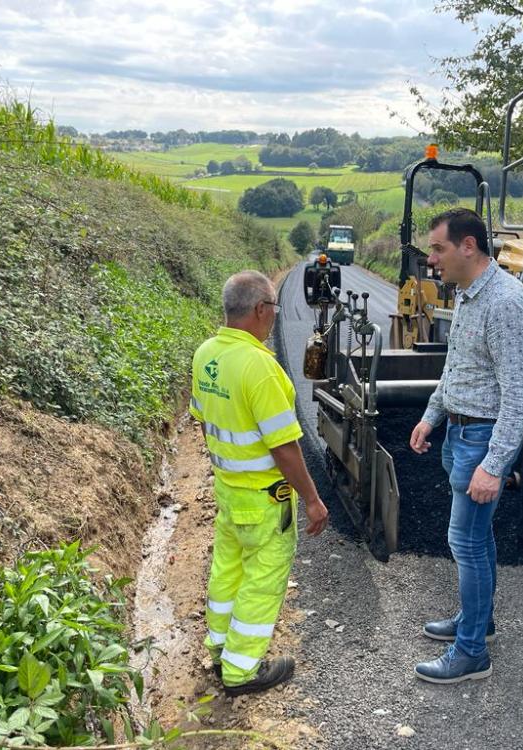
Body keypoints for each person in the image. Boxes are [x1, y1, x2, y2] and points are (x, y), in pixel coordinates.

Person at [409, 208, 523, 684]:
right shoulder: (468, 294)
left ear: (468, 246)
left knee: (464, 540)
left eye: (438, 248)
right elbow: (457, 367)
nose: (431, 258)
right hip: (459, 432)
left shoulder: (505, 303)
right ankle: (476, 622)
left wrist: (494, 463)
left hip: (482, 439)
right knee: (475, 540)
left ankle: (471, 655)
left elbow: (520, 399)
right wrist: (430, 415)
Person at [190, 270, 329, 696]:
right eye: (273, 309)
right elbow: (284, 448)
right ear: (259, 310)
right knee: (261, 581)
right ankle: (242, 670)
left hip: (229, 491)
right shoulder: (260, 368)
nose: (273, 317)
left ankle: (219, 651)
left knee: (227, 572)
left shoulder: (206, 354)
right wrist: (312, 500)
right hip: (265, 501)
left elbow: (205, 423)